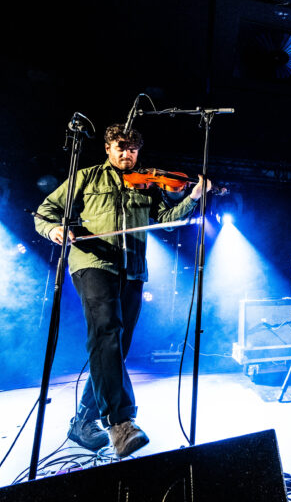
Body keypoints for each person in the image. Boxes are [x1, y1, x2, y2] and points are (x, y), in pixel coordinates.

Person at [34, 124, 211, 457]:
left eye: (132, 148)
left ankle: (82, 421)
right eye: (120, 147)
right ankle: (120, 423)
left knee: (116, 347)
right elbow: (45, 212)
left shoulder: (146, 182)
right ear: (107, 147)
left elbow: (166, 218)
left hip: (133, 269)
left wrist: (193, 198)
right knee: (106, 334)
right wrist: (55, 229)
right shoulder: (86, 178)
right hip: (93, 263)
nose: (127, 153)